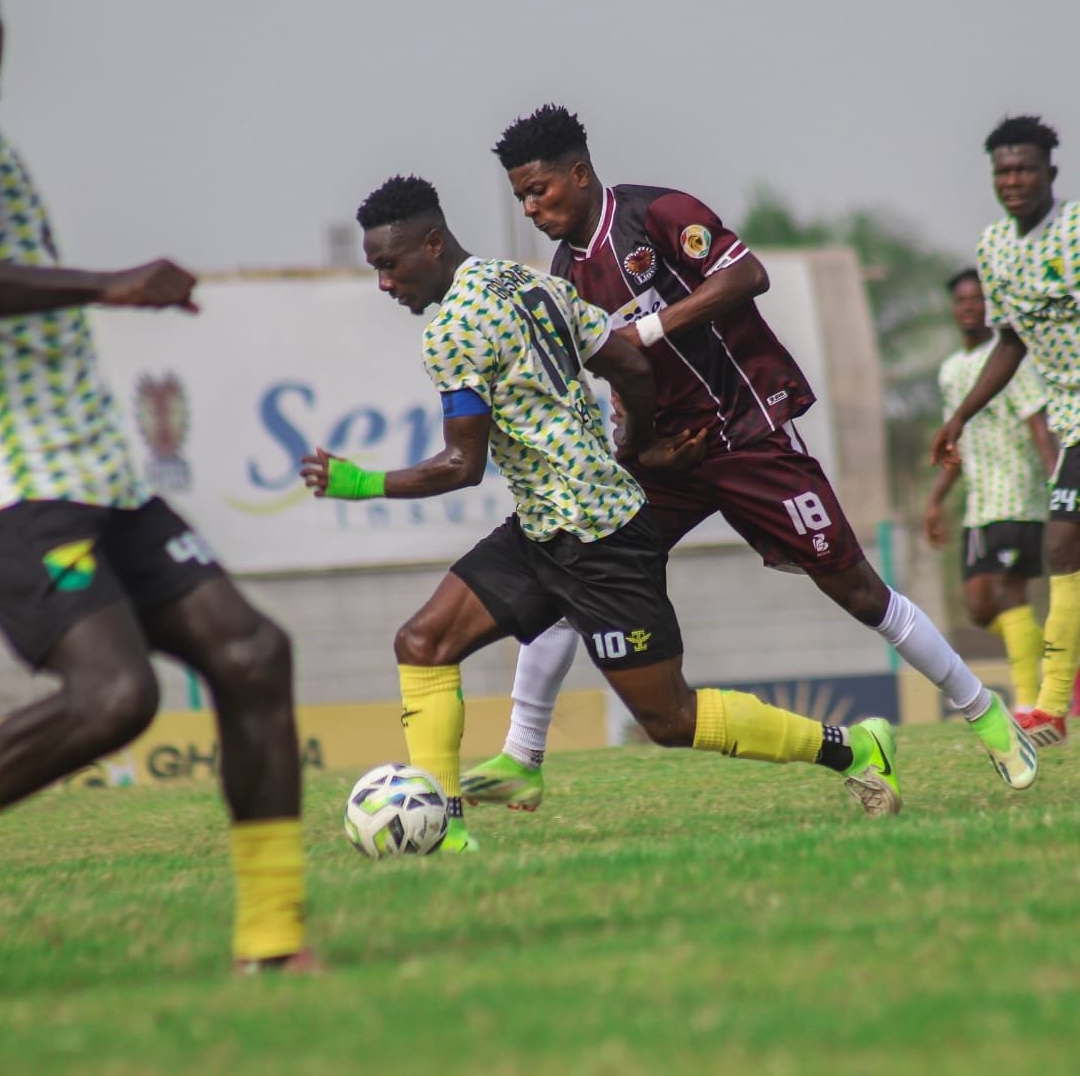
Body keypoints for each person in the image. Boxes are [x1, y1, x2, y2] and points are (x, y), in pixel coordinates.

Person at [301, 175, 907, 852]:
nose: (385, 284)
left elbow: (459, 465)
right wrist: (637, 440)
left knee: (670, 719)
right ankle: (445, 833)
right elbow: (631, 366)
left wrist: (358, 482)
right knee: (423, 643)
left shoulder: (452, 330)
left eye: (389, 264)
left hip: (601, 539)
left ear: (432, 244)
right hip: (545, 526)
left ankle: (853, 748)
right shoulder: (529, 282)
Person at [461, 103, 1037, 810]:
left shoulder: (659, 215)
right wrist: (641, 448)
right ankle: (523, 754)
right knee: (571, 565)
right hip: (666, 457)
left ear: (578, 175)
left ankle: (986, 713)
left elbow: (746, 276)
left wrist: (648, 328)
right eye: (520, 195)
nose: (530, 207)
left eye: (538, 190)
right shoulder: (564, 272)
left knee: (857, 591)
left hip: (748, 433)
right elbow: (616, 382)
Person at [0, 0, 310, 974]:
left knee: (253, 654)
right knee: (116, 698)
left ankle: (271, 942)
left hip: (101, 477)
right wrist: (111, 281)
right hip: (12, 486)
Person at [933, 114, 1080, 748]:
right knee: (1062, 550)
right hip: (1073, 416)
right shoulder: (994, 248)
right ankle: (1050, 708)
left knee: (1060, 550)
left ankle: (1050, 701)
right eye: (1002, 171)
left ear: (1050, 172)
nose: (1012, 180)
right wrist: (960, 414)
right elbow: (1012, 341)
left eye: (1023, 169)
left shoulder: (1074, 231)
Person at [924, 268, 1056, 714]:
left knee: (1008, 595)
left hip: (1019, 497)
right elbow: (955, 445)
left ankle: (1028, 704)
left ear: (991, 306)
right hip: (979, 505)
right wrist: (935, 500)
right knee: (979, 610)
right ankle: (1046, 650)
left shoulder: (1009, 362)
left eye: (978, 300)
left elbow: (1040, 428)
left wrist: (1059, 487)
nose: (969, 307)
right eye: (962, 300)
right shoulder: (951, 370)